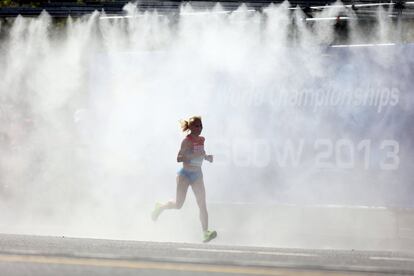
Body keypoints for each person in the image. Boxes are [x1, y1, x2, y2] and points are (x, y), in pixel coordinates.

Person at [151, 116, 217, 243]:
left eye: (201, 126)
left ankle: (205, 232)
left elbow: (201, 153)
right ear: (190, 128)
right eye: (196, 126)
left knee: (202, 204)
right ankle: (160, 207)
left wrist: (207, 157)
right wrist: (193, 156)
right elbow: (179, 158)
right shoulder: (186, 141)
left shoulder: (202, 140)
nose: (199, 128)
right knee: (178, 204)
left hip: (197, 175)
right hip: (185, 175)